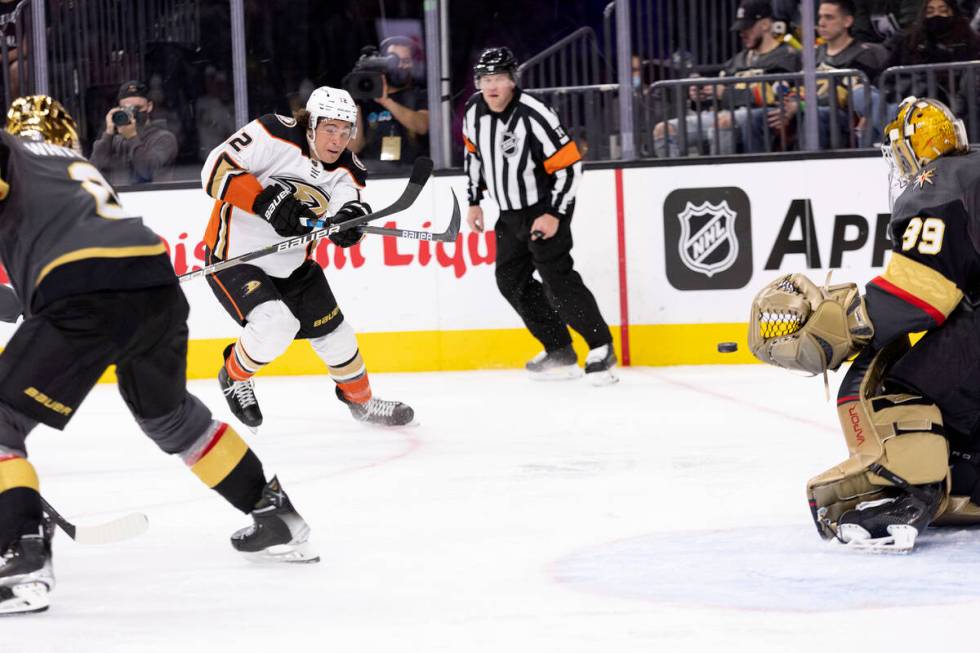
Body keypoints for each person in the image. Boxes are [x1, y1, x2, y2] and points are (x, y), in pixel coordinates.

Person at [0, 96, 317, 616]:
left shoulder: (15, 157)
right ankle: (275, 516)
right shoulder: (74, 167)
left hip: (82, 293)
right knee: (169, 416)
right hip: (155, 284)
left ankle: (23, 554)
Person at [748, 96, 980, 553]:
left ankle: (913, 492)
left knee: (901, 386)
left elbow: (923, 293)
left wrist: (849, 323)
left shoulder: (942, 181)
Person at [199, 85, 414, 430]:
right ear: (310, 124)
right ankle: (235, 376)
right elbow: (213, 170)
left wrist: (350, 222)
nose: (338, 139)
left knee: (338, 335)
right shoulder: (271, 133)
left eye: (346, 131)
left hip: (294, 265)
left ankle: (363, 404)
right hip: (235, 257)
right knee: (275, 325)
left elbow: (349, 201)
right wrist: (260, 200)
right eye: (330, 128)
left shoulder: (348, 167)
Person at [463, 47, 617, 385]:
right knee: (510, 280)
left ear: (512, 81)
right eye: (486, 79)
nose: (492, 87)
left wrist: (553, 214)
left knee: (556, 278)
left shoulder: (535, 114)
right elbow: (473, 154)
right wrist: (474, 200)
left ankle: (600, 346)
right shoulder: (474, 111)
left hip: (544, 208)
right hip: (508, 212)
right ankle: (559, 349)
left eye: (499, 79)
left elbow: (569, 166)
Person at [652, 0, 801, 157]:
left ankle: (719, 177)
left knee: (723, 121)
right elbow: (719, 97)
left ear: (765, 25)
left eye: (747, 27)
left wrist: (723, 93)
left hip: (761, 118)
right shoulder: (737, 60)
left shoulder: (785, 56)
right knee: (664, 130)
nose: (742, 33)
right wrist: (703, 97)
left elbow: (772, 95)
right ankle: (677, 178)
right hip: (726, 115)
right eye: (740, 28)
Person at [762, 0, 888, 148]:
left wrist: (802, 106)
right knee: (759, 117)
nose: (821, 23)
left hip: (841, 120)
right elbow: (793, 87)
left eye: (829, 17)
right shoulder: (811, 55)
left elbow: (846, 97)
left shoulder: (863, 55)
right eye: (820, 17)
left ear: (847, 21)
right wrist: (786, 104)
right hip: (801, 114)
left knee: (815, 114)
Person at [349, 36, 429, 172]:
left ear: (414, 64)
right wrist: (355, 101)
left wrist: (386, 101)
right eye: (393, 61)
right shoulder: (366, 99)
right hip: (372, 172)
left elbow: (422, 126)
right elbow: (354, 147)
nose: (399, 66)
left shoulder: (421, 95)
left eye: (405, 61)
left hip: (410, 173)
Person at [89, 80, 178, 185]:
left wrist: (132, 137)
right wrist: (108, 133)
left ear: (149, 106)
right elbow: (93, 171)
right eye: (126, 109)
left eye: (137, 108)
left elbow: (148, 172)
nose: (132, 113)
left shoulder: (165, 139)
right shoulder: (117, 140)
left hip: (154, 197)